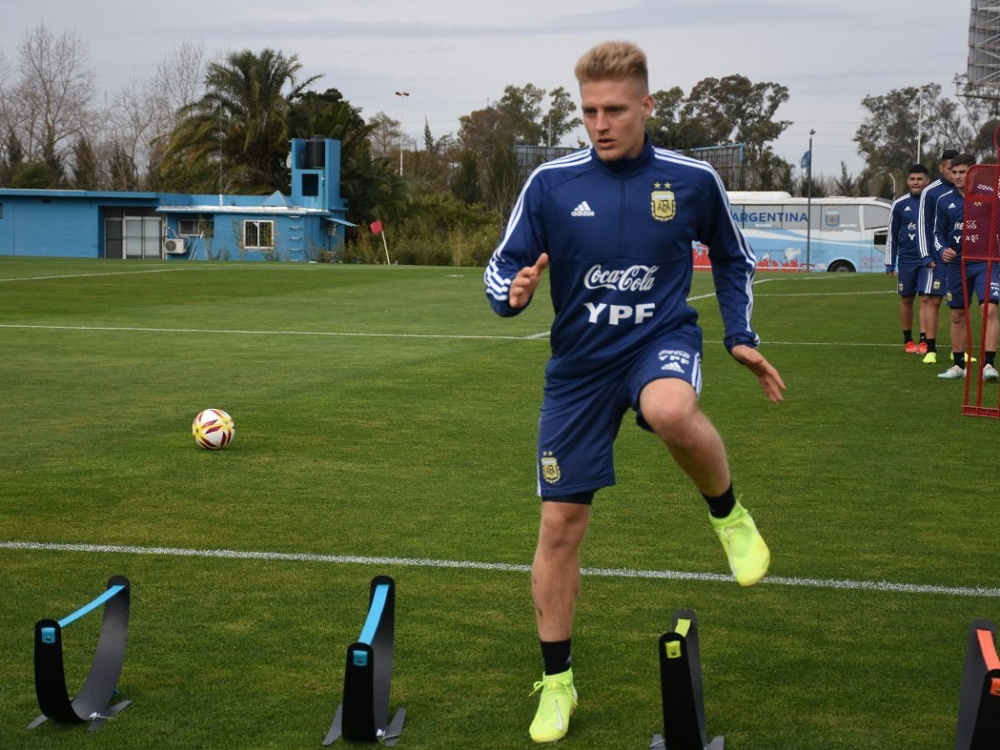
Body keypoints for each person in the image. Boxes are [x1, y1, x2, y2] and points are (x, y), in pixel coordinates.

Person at [483, 40, 785, 744]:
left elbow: (733, 258)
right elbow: (501, 268)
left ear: (647, 105)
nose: (600, 124)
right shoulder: (551, 184)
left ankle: (729, 515)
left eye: (615, 110)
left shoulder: (692, 180)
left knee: (670, 408)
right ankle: (557, 683)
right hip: (579, 369)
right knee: (559, 528)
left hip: (659, 341)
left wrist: (739, 333)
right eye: (589, 111)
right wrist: (513, 294)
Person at [934, 153, 1000, 380]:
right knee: (957, 314)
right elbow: (937, 234)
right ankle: (958, 366)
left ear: (974, 172)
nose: (958, 176)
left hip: (987, 261)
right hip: (957, 264)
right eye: (954, 172)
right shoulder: (944, 201)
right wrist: (942, 249)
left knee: (989, 310)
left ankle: (989, 365)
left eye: (963, 172)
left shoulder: (990, 195)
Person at [916, 149, 959, 364]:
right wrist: (926, 255)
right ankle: (930, 349)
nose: (955, 174)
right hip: (937, 256)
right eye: (951, 169)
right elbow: (923, 225)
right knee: (934, 300)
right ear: (942, 168)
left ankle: (957, 351)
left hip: (961, 256)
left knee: (960, 305)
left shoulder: (968, 189)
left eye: (959, 169)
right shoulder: (931, 192)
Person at [885, 164, 930, 352]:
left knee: (926, 299)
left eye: (919, 179)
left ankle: (925, 340)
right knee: (907, 300)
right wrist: (890, 262)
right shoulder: (899, 204)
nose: (915, 182)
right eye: (912, 179)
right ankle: (908, 340)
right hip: (906, 260)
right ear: (908, 181)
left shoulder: (933, 202)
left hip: (928, 260)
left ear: (927, 181)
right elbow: (892, 235)